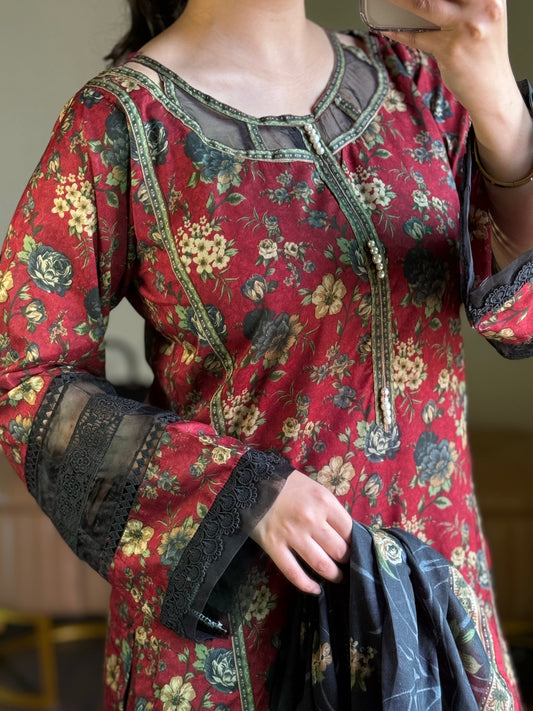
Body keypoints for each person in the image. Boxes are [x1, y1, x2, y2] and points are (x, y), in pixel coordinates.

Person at [0, 0, 532, 707]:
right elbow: (23, 374)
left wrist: (494, 94)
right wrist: (244, 491)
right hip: (242, 635)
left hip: (432, 613)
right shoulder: (121, 122)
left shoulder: (415, 79)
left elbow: (518, 319)